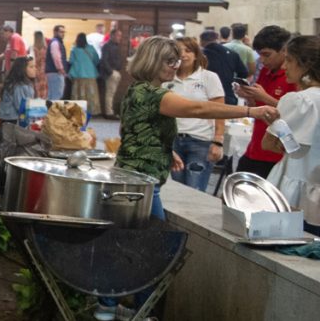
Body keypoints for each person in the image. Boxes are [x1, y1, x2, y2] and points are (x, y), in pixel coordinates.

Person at [98, 36, 278, 321]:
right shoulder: (153, 94)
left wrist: (165, 150)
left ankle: (112, 306)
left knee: (133, 245)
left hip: (136, 178)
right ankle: (135, 311)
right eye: (170, 62)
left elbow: (139, 130)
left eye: (177, 61)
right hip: (141, 183)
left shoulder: (139, 90)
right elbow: (198, 108)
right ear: (154, 62)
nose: (175, 67)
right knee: (153, 250)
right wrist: (250, 111)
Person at [262, 35, 320, 236]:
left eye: (289, 60)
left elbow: (268, 144)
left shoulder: (298, 101)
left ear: (305, 64)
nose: (284, 66)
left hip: (296, 195)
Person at [235, 25, 296, 177]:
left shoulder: (293, 77)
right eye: (259, 55)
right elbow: (258, 109)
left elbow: (295, 113)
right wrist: (249, 96)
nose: (262, 60)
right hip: (255, 147)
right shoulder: (265, 71)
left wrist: (265, 97)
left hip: (276, 153)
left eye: (266, 55)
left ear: (283, 51)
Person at [167, 37, 226, 192]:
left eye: (188, 50)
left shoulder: (209, 77)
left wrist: (218, 141)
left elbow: (219, 110)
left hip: (200, 141)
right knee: (178, 190)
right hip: (173, 140)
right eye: (179, 51)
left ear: (196, 54)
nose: (183, 55)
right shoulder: (167, 78)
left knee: (194, 190)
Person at [200, 29, 247, 105]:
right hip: (228, 97)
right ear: (217, 39)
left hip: (205, 97)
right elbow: (244, 73)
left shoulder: (199, 55)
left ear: (201, 41)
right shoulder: (232, 53)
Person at [69, 33, 101, 116]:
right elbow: (96, 60)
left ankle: (78, 111)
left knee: (78, 94)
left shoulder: (74, 50)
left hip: (78, 74)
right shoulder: (91, 48)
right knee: (91, 94)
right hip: (91, 74)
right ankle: (92, 111)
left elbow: (71, 61)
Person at [0, 57, 36, 124]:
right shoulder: (19, 86)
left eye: (35, 66)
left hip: (15, 119)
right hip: (12, 122)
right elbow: (21, 109)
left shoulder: (26, 84)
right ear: (22, 69)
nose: (35, 69)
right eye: (31, 67)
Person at [99, 29, 125, 119]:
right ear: (112, 36)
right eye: (118, 35)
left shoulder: (115, 46)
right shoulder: (107, 46)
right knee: (109, 93)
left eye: (120, 36)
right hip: (111, 73)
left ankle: (110, 111)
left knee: (112, 93)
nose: (120, 38)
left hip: (115, 72)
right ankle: (109, 112)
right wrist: (110, 72)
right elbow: (104, 60)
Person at [45, 25, 68, 100]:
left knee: (51, 95)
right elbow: (56, 57)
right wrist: (60, 69)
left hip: (51, 72)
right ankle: (54, 111)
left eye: (64, 32)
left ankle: (49, 110)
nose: (63, 34)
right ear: (55, 32)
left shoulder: (55, 42)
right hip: (56, 72)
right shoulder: (55, 42)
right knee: (57, 95)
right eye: (61, 32)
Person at [30, 31, 48, 99]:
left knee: (36, 88)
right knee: (43, 88)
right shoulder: (45, 48)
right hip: (43, 71)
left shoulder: (32, 48)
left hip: (35, 70)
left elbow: (31, 59)